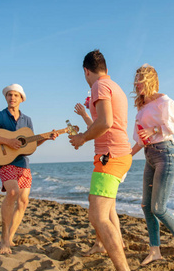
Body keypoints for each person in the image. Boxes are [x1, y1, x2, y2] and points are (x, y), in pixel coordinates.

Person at [69, 50, 132, 271]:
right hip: (118, 154)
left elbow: (105, 122)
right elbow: (105, 122)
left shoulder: (99, 86)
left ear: (86, 70)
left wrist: (82, 138)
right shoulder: (115, 86)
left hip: (111, 156)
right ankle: (109, 245)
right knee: (106, 210)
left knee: (97, 216)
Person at [0, 84, 58, 254]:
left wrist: (46, 138)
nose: (12, 98)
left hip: (22, 163)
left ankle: (10, 237)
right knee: (12, 193)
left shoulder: (27, 121)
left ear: (21, 99)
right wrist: (7, 142)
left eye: (15, 95)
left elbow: (30, 145)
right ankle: (4, 237)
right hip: (5, 162)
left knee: (23, 201)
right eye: (9, 95)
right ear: (6, 97)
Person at [130, 64, 174, 266]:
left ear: (149, 81)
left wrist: (155, 129)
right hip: (149, 156)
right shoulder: (141, 106)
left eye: (140, 79)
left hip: (166, 154)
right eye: (135, 79)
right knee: (146, 206)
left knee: (158, 207)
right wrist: (128, 155)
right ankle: (155, 251)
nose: (136, 83)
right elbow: (140, 139)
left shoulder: (163, 100)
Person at [74, 103, 126, 256]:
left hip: (111, 162)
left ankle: (110, 243)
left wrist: (84, 116)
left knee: (100, 208)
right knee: (109, 208)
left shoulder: (106, 118)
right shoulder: (107, 116)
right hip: (115, 160)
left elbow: (98, 130)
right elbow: (96, 129)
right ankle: (107, 242)